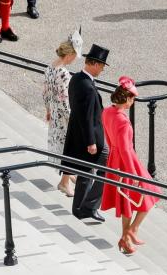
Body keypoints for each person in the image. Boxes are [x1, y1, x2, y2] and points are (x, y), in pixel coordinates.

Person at [100, 76, 161, 255]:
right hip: (127, 162)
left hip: (114, 158)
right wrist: (133, 173)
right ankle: (132, 230)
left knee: (125, 199)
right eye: (132, 98)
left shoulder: (107, 112)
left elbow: (108, 138)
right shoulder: (124, 122)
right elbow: (126, 149)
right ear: (126, 98)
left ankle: (126, 237)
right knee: (152, 192)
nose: (133, 102)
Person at [64, 44, 111, 222]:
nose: (102, 70)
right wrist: (91, 142)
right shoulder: (89, 88)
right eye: (102, 66)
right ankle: (89, 206)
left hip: (79, 134)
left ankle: (79, 208)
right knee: (106, 168)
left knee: (85, 170)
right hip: (91, 138)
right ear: (96, 64)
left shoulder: (76, 78)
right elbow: (86, 117)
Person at [44, 29, 83, 197]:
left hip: (54, 113)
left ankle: (69, 175)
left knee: (63, 146)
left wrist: (48, 110)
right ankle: (64, 182)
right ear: (70, 54)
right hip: (64, 116)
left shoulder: (50, 67)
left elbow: (45, 92)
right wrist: (72, 118)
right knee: (70, 148)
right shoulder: (64, 73)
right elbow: (65, 99)